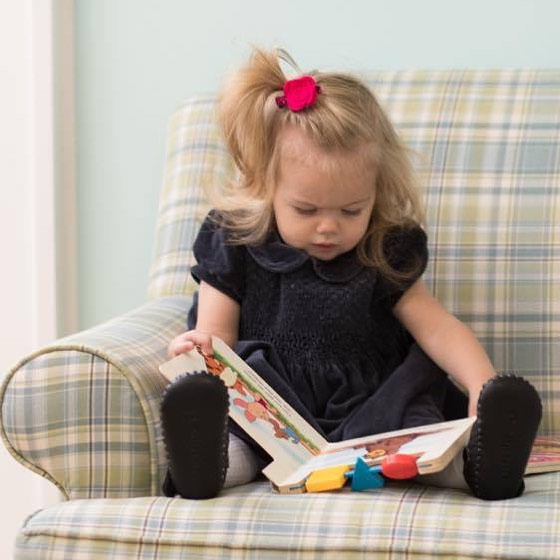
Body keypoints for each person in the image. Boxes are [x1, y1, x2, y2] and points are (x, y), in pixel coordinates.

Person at [160, 47, 542, 501]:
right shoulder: (235, 240)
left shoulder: (384, 247)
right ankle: (206, 466)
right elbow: (216, 338)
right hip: (274, 407)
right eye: (306, 210)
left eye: (351, 210)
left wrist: (483, 386)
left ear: (375, 192)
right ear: (265, 185)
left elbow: (438, 328)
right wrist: (199, 353)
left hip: (376, 406)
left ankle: (482, 467)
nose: (328, 227)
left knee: (420, 439)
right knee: (244, 438)